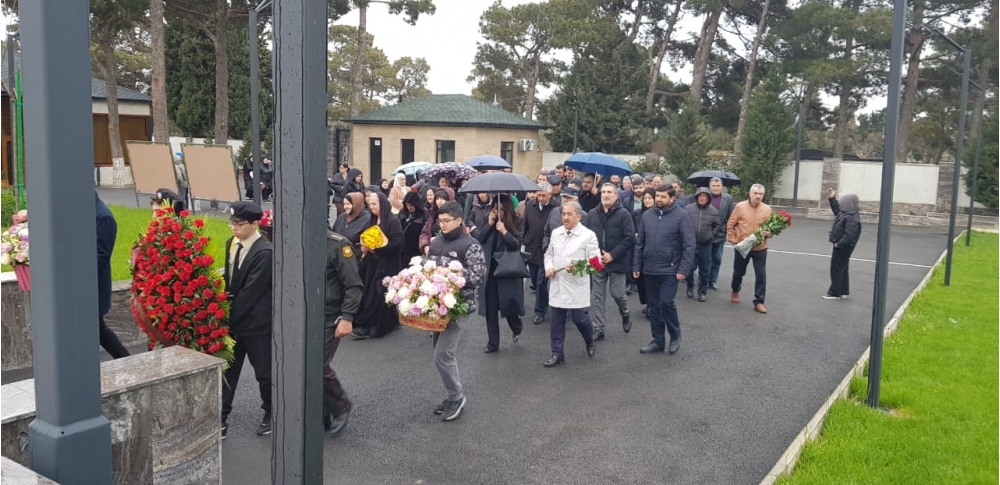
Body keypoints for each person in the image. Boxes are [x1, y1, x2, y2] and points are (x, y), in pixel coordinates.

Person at [425, 201, 486, 421]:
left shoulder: (471, 245)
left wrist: (451, 274)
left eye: (446, 221)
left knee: (443, 354)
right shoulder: (436, 242)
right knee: (439, 353)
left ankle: (456, 397)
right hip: (437, 304)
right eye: (439, 221)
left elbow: (477, 276)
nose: (442, 225)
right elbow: (427, 267)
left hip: (459, 305)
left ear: (459, 220)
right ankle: (451, 395)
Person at [221, 201, 274, 438]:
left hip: (256, 323)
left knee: (264, 373)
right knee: (227, 372)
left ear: (254, 224)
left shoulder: (265, 252)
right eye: (231, 223)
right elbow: (230, 283)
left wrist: (228, 318)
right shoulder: (231, 243)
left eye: (239, 224)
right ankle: (220, 417)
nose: (234, 227)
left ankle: (271, 412)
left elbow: (250, 292)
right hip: (234, 321)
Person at [632, 185, 695, 355]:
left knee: (666, 303)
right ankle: (657, 341)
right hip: (649, 269)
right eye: (657, 196)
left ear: (672, 198)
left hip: (670, 269)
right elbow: (640, 243)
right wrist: (637, 265)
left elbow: (689, 245)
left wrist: (684, 269)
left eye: (663, 197)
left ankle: (675, 335)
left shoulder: (682, 216)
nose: (658, 199)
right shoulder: (647, 215)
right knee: (653, 307)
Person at [543, 201, 599, 367]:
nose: (565, 217)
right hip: (558, 283)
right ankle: (557, 353)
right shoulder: (556, 233)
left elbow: (596, 264)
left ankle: (589, 339)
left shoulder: (588, 235)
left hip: (576, 285)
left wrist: (577, 267)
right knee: (556, 321)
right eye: (563, 214)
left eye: (569, 214)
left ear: (578, 217)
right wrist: (549, 267)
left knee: (580, 319)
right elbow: (549, 255)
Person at [321, 231, 364, 437]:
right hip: (305, 314)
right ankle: (321, 413)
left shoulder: (338, 245)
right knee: (303, 367)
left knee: (318, 366)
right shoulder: (297, 241)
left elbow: (353, 285)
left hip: (331, 316)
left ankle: (341, 406)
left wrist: (347, 317)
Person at [474, 195, 525, 353]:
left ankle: (516, 326)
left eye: (502, 210)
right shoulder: (488, 219)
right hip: (490, 268)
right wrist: (489, 225)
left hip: (507, 268)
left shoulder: (517, 221)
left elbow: (517, 245)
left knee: (508, 304)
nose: (498, 213)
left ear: (508, 209)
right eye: (496, 209)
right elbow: (479, 239)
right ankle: (493, 343)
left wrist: (504, 232)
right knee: (491, 307)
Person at [585, 183, 635, 341]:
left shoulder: (624, 214)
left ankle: (625, 313)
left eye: (609, 192)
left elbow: (629, 238)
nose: (606, 195)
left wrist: (612, 255)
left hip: (617, 261)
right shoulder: (592, 214)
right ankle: (598, 328)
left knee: (617, 294)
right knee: (597, 297)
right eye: (603, 192)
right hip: (597, 261)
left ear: (616, 195)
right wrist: (594, 256)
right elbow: (586, 237)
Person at [351, 192, 404, 339]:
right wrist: (364, 247)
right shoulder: (372, 220)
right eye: (370, 204)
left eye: (374, 204)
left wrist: (377, 249)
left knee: (379, 293)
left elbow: (398, 243)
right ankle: (384, 322)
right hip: (372, 263)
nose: (371, 207)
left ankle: (373, 325)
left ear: (383, 205)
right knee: (369, 291)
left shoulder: (393, 221)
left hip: (387, 264)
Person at [727, 183, 772, 314]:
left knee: (761, 275)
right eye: (755, 193)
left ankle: (759, 301)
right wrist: (733, 240)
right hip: (743, 246)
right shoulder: (740, 207)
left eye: (760, 194)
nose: (758, 196)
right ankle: (735, 290)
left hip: (760, 247)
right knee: (738, 272)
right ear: (750, 193)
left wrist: (769, 233)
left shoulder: (767, 209)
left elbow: (771, 229)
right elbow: (730, 224)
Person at [96, 193, 130, 359]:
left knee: (99, 329)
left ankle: (127, 361)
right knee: (97, 329)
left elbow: (101, 255)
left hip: (94, 287)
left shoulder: (104, 217)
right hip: (82, 287)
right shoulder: (84, 213)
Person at [523, 181, 559, 320]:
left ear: (550, 194)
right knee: (534, 279)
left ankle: (540, 311)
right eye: (539, 195)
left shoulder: (556, 207)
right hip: (531, 247)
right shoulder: (529, 205)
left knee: (541, 281)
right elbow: (524, 226)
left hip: (547, 249)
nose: (541, 198)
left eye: (544, 195)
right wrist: (521, 241)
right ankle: (544, 300)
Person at [683, 188, 724, 302]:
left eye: (704, 196)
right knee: (689, 269)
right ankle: (690, 286)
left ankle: (702, 292)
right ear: (697, 197)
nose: (702, 198)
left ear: (708, 198)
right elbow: (682, 223)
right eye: (700, 196)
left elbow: (718, 225)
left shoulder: (713, 211)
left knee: (705, 270)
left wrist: (711, 235)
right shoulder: (688, 208)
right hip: (690, 245)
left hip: (705, 245)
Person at [824, 189, 861, 300]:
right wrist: (832, 198)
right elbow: (837, 210)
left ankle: (835, 293)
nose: (841, 204)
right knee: (843, 268)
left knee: (837, 268)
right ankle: (842, 291)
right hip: (843, 246)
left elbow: (849, 235)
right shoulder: (846, 213)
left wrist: (838, 244)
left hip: (843, 246)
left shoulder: (852, 218)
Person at [706, 177, 734, 291]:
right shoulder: (705, 196)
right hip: (706, 233)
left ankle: (713, 281)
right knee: (706, 259)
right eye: (713, 186)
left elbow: (731, 217)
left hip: (720, 234)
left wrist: (728, 231)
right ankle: (704, 279)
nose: (716, 188)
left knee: (717, 258)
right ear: (710, 186)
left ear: (721, 187)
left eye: (718, 186)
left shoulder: (728, 199)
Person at [632, 188, 656, 314]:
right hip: (639, 248)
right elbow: (631, 228)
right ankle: (647, 303)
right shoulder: (637, 213)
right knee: (641, 279)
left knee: (651, 279)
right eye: (645, 198)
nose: (647, 200)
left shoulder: (658, 214)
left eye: (650, 198)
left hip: (652, 250)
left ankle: (652, 306)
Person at [419, 187, 456, 255]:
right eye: (437, 199)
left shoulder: (456, 216)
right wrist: (425, 246)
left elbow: (460, 236)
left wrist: (438, 240)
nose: (439, 201)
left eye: (442, 199)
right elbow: (424, 233)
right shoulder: (433, 215)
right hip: (433, 252)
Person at [399, 191, 427, 266]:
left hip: (415, 247)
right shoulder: (403, 213)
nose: (409, 207)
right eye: (407, 205)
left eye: (411, 205)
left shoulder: (423, 215)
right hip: (403, 248)